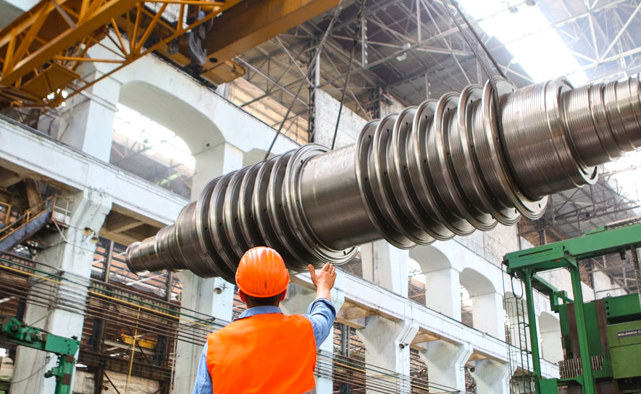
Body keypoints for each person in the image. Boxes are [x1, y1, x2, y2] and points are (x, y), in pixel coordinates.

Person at [192, 246, 337, 394]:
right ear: (283, 293)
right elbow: (324, 315)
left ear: (241, 295)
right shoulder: (304, 331)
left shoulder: (215, 346)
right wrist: (323, 286)